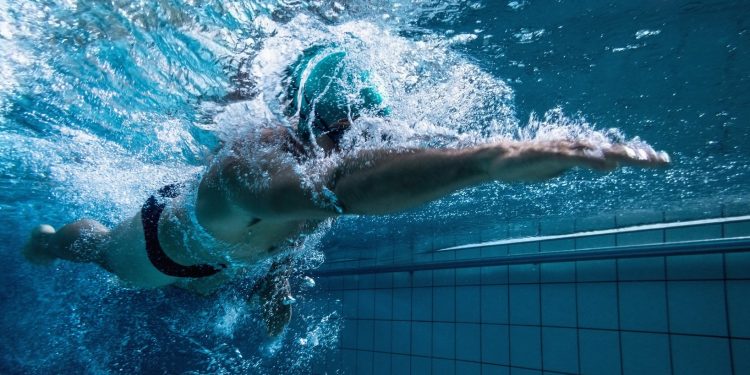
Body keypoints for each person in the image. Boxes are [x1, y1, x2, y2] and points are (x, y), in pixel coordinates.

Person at [22, 45, 670, 335]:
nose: (363, 142)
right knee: (100, 251)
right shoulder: (250, 165)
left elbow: (305, 221)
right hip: (155, 249)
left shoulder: (315, 165)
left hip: (220, 256)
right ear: (317, 123)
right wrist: (484, 161)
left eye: (369, 129)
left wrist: (274, 288)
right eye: (350, 129)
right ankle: (54, 240)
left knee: (206, 280)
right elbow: (334, 191)